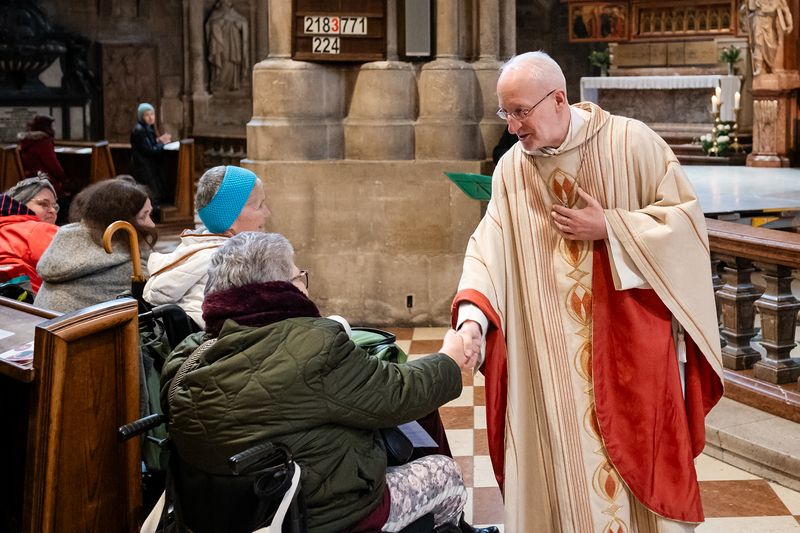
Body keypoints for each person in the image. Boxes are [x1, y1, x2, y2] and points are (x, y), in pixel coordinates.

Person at [452, 51, 724, 532]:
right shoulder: (513, 170)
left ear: (558, 99)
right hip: (549, 362)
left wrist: (612, 227)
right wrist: (471, 319)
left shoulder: (632, 144)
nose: (513, 127)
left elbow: (685, 227)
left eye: (520, 112)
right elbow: (486, 249)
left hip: (629, 354)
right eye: (505, 113)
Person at [161, 232, 476, 533]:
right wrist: (449, 356)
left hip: (223, 519)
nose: (304, 286)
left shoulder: (186, 356)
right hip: (321, 515)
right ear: (281, 288)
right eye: (300, 277)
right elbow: (399, 392)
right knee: (444, 473)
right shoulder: (313, 345)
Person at [143, 165, 270, 329]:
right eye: (260, 205)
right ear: (231, 218)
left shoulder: (194, 250)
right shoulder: (234, 269)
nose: (267, 213)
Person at [34, 178, 157, 313]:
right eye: (143, 217)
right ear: (116, 220)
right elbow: (157, 321)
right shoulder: (130, 267)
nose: (152, 224)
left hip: (41, 327)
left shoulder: (68, 240)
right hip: (81, 332)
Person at [0, 177, 60, 292]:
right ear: (21, 203)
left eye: (54, 206)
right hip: (34, 307)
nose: (52, 211)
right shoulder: (39, 229)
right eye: (44, 204)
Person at [17, 115, 68, 201]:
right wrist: (64, 179)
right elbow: (53, 166)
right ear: (47, 127)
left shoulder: (28, 141)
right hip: (46, 183)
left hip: (32, 181)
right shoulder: (43, 142)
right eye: (52, 126)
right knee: (65, 205)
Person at [130, 103, 171, 207]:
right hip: (145, 167)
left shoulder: (147, 128)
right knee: (154, 195)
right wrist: (161, 143)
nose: (150, 117)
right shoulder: (140, 130)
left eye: (152, 114)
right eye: (147, 115)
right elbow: (148, 150)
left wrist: (158, 141)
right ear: (141, 116)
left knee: (160, 194)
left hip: (150, 166)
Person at [205, 0, 249, 92]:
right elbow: (210, 24)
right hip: (222, 42)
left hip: (234, 42)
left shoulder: (234, 14)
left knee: (233, 62)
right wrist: (219, 23)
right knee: (224, 59)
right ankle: (218, 84)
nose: (227, 4)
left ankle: (233, 84)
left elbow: (243, 22)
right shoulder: (216, 13)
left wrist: (239, 24)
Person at [748, 0, 793, 75]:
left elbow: (786, 10)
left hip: (770, 22)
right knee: (758, 42)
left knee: (772, 46)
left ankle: (769, 66)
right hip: (758, 18)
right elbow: (750, 8)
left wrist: (790, 24)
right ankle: (759, 68)